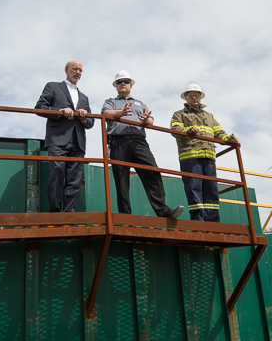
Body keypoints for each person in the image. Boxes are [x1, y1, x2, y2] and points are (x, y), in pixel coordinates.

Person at [101, 70, 184, 219]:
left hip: (139, 142)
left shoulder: (140, 103)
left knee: (153, 172)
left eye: (126, 81)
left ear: (131, 84)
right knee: (121, 181)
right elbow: (105, 114)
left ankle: (163, 211)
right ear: (116, 86)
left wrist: (146, 121)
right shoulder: (111, 102)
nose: (123, 84)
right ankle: (125, 217)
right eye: (119, 82)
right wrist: (119, 113)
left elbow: (150, 120)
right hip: (118, 142)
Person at [170, 84, 239, 222]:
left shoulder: (209, 116)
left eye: (197, 95)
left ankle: (213, 222)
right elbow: (175, 129)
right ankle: (198, 221)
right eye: (191, 96)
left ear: (200, 97)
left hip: (209, 157)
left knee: (211, 190)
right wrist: (187, 131)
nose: (194, 98)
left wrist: (230, 140)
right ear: (186, 98)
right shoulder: (179, 114)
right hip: (190, 156)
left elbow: (219, 132)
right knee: (194, 189)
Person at [34, 60, 94, 212]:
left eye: (81, 70)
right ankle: (55, 212)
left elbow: (91, 122)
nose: (78, 72)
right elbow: (40, 108)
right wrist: (59, 111)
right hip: (58, 139)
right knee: (57, 174)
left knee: (74, 180)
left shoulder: (84, 98)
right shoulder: (53, 86)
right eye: (75, 69)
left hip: (78, 142)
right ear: (66, 70)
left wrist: (84, 117)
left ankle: (69, 214)